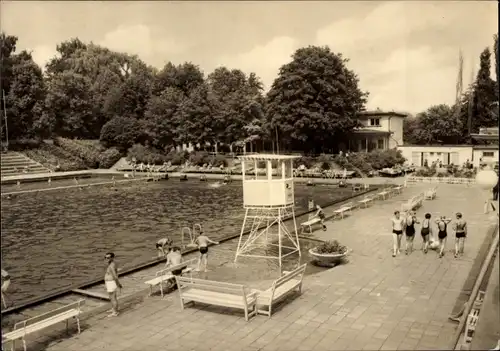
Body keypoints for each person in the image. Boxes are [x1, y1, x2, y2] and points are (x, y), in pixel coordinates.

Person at [104, 252, 122, 317]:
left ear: (112, 258)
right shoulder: (111, 264)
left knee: (113, 298)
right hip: (109, 283)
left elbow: (115, 276)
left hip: (111, 283)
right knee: (111, 297)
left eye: (108, 257)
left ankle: (115, 312)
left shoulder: (111, 265)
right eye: (105, 257)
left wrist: (118, 284)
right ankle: (113, 309)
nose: (106, 259)